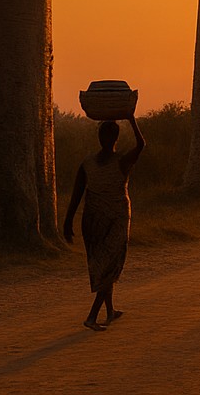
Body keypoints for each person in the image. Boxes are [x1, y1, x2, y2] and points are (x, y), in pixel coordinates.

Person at [63, 116, 146, 331]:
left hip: (97, 220)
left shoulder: (93, 162)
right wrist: (131, 118)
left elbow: (77, 194)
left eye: (107, 134)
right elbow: (141, 145)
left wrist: (68, 220)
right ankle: (91, 317)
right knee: (108, 266)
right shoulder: (118, 161)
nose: (105, 138)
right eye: (104, 134)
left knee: (105, 265)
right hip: (108, 220)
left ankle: (110, 311)